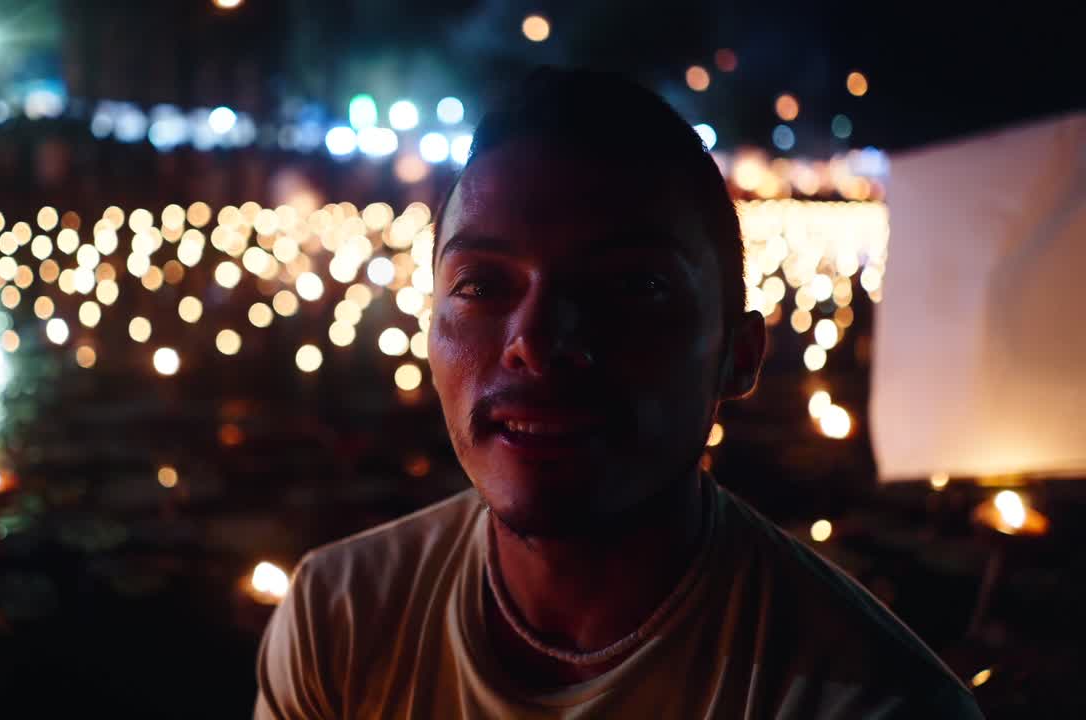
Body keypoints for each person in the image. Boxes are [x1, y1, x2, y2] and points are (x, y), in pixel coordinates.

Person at [254, 67, 983, 719]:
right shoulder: (342, 620)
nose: (536, 340)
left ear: (739, 355)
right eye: (481, 285)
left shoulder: (866, 699)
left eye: (632, 286)